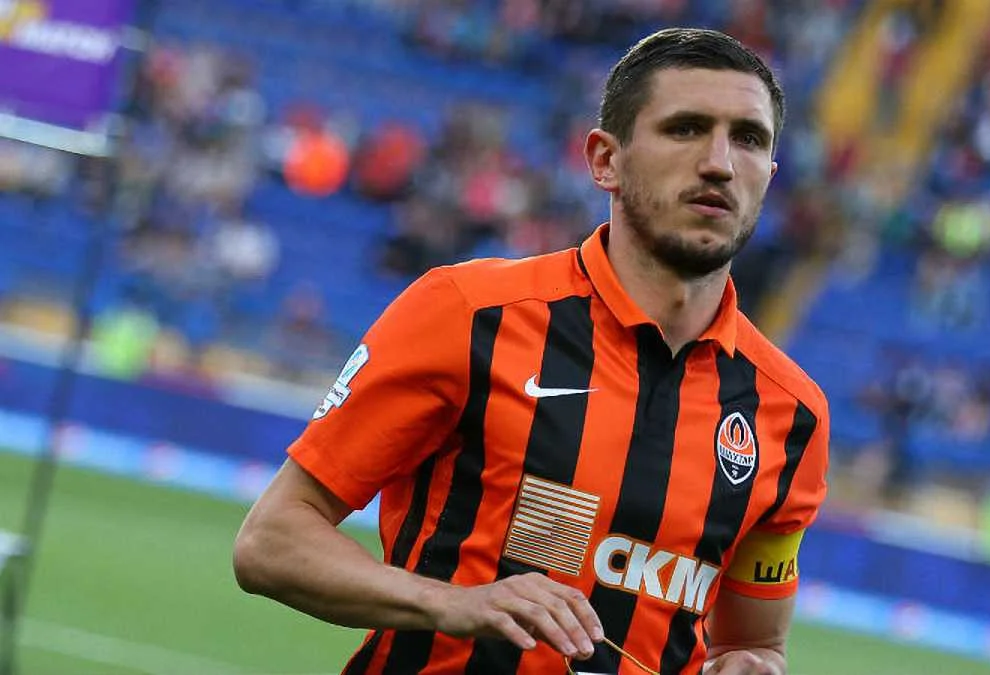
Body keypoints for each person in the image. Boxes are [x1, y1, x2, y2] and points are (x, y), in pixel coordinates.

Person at [233, 28, 830, 675]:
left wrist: (752, 665)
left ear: (769, 177)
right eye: (685, 129)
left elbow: (752, 644)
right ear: (605, 160)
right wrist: (452, 603)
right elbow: (271, 542)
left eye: (749, 139)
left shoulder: (793, 415)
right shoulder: (467, 313)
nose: (720, 162)